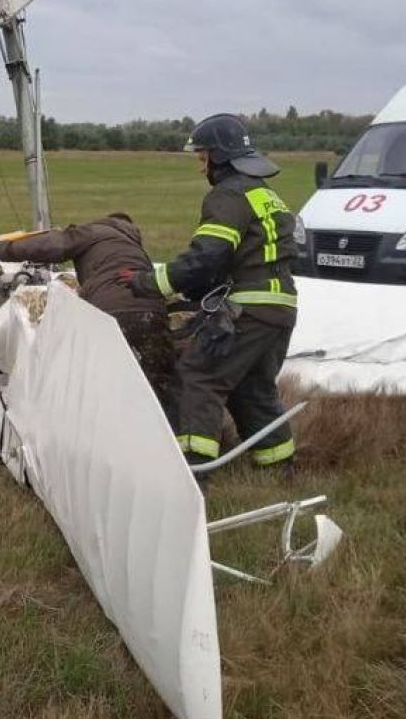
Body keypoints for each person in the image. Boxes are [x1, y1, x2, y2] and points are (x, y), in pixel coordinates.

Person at [126, 113, 302, 472]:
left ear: (218, 157)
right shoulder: (265, 195)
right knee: (253, 389)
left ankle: (192, 472)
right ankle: (280, 469)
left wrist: (149, 284)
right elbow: (234, 260)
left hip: (248, 309)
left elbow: (206, 258)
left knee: (198, 378)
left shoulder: (228, 196)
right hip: (280, 308)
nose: (199, 167)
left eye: (201, 157)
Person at [0, 214, 175, 416]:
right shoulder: (133, 248)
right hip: (154, 312)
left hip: (111, 313)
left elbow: (53, 246)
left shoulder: (96, 231)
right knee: (156, 383)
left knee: (103, 383)